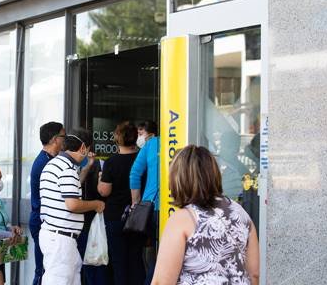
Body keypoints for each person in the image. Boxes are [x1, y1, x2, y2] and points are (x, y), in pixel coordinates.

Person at [151, 145, 260, 285]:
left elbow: (162, 281)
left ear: (179, 178)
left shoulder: (182, 219)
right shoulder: (241, 213)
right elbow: (254, 274)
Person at [39, 128, 105, 285]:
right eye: (88, 150)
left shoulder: (54, 164)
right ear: (83, 148)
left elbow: (70, 192)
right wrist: (96, 204)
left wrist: (87, 167)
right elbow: (72, 204)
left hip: (57, 236)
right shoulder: (67, 170)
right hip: (61, 240)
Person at [98, 121, 145, 285]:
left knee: (119, 263)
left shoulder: (111, 162)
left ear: (118, 139)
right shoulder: (142, 159)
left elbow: (104, 191)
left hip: (115, 217)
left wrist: (99, 180)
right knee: (136, 259)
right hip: (139, 216)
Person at [29, 121, 65, 285]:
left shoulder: (50, 160)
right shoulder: (46, 163)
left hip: (43, 221)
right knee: (44, 270)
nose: (65, 140)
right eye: (63, 136)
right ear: (54, 139)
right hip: (43, 221)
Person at [129, 120, 160, 285]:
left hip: (151, 207)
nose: (138, 138)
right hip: (175, 207)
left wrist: (136, 204)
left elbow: (134, 174)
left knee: (152, 253)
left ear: (151, 134)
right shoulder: (176, 140)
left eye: (141, 133)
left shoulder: (151, 144)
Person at [76, 151, 109, 285]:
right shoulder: (71, 167)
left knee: (93, 264)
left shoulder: (101, 165)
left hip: (91, 223)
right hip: (88, 222)